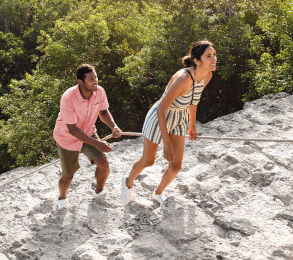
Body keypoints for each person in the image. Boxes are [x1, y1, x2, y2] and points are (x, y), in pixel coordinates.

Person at [121, 41, 216, 206]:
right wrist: (166, 143)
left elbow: (193, 101)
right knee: (148, 160)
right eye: (208, 56)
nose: (213, 59)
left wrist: (192, 126)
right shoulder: (183, 79)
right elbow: (161, 110)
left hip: (179, 117)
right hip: (160, 117)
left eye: (214, 55)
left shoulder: (207, 75)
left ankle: (158, 193)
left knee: (176, 166)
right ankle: (127, 182)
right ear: (196, 60)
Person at [53, 64, 122, 209]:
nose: (95, 80)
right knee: (68, 175)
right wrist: (98, 144)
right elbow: (72, 129)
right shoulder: (68, 97)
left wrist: (113, 126)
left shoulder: (100, 91)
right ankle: (62, 198)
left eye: (95, 77)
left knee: (103, 163)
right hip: (67, 138)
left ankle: (99, 191)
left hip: (89, 132)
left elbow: (103, 112)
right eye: (90, 79)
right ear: (80, 81)